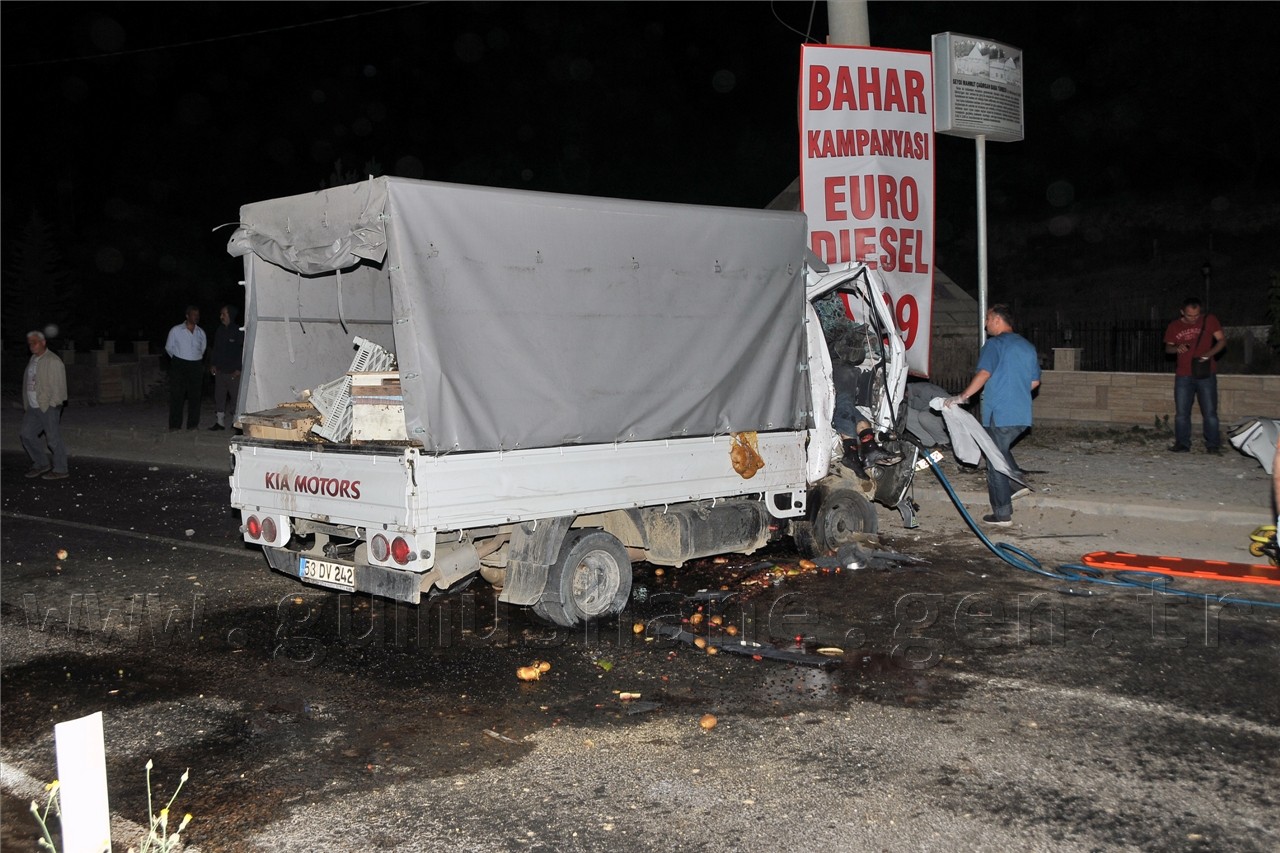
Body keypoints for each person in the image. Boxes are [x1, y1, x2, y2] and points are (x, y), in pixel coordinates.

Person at [945, 304, 1041, 527]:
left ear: (998, 320)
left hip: (1000, 412)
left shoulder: (994, 344)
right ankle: (1017, 485)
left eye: (988, 319)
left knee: (994, 461)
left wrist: (962, 397)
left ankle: (1002, 513)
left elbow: (984, 373)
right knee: (1000, 450)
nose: (986, 324)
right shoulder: (1027, 346)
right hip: (1021, 413)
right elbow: (1034, 382)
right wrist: (1014, 392)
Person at [1163, 296, 1226, 454]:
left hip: (1205, 373)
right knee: (1182, 413)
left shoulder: (1209, 320)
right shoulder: (1174, 326)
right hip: (1183, 375)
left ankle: (1213, 445)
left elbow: (1222, 341)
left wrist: (1209, 354)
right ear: (1182, 312)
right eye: (1190, 315)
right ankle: (1182, 444)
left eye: (1196, 315)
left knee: (1210, 412)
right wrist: (1178, 348)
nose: (1193, 319)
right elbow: (1168, 349)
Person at [21, 330, 70, 480]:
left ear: (43, 342)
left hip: (48, 406)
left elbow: (60, 386)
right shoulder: (33, 359)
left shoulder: (53, 361)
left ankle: (61, 469)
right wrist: (27, 402)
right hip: (33, 406)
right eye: (29, 343)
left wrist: (54, 404)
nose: (31, 346)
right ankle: (41, 463)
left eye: (34, 342)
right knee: (26, 435)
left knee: (53, 439)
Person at [165, 304, 207, 430]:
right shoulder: (176, 330)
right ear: (187, 316)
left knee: (195, 396)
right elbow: (169, 348)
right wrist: (179, 359)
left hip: (195, 365)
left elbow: (203, 349)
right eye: (194, 315)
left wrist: (194, 359)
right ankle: (174, 426)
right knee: (177, 395)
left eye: (198, 315)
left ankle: (193, 425)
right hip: (179, 364)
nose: (196, 317)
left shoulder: (201, 332)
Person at [208, 304, 244, 431]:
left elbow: (242, 351)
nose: (221, 316)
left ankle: (236, 423)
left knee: (235, 398)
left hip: (234, 372)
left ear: (230, 315)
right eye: (221, 314)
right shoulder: (220, 330)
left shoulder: (238, 331)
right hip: (220, 371)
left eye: (224, 314)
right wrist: (213, 364)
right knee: (219, 396)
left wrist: (239, 368)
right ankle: (220, 422)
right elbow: (215, 349)